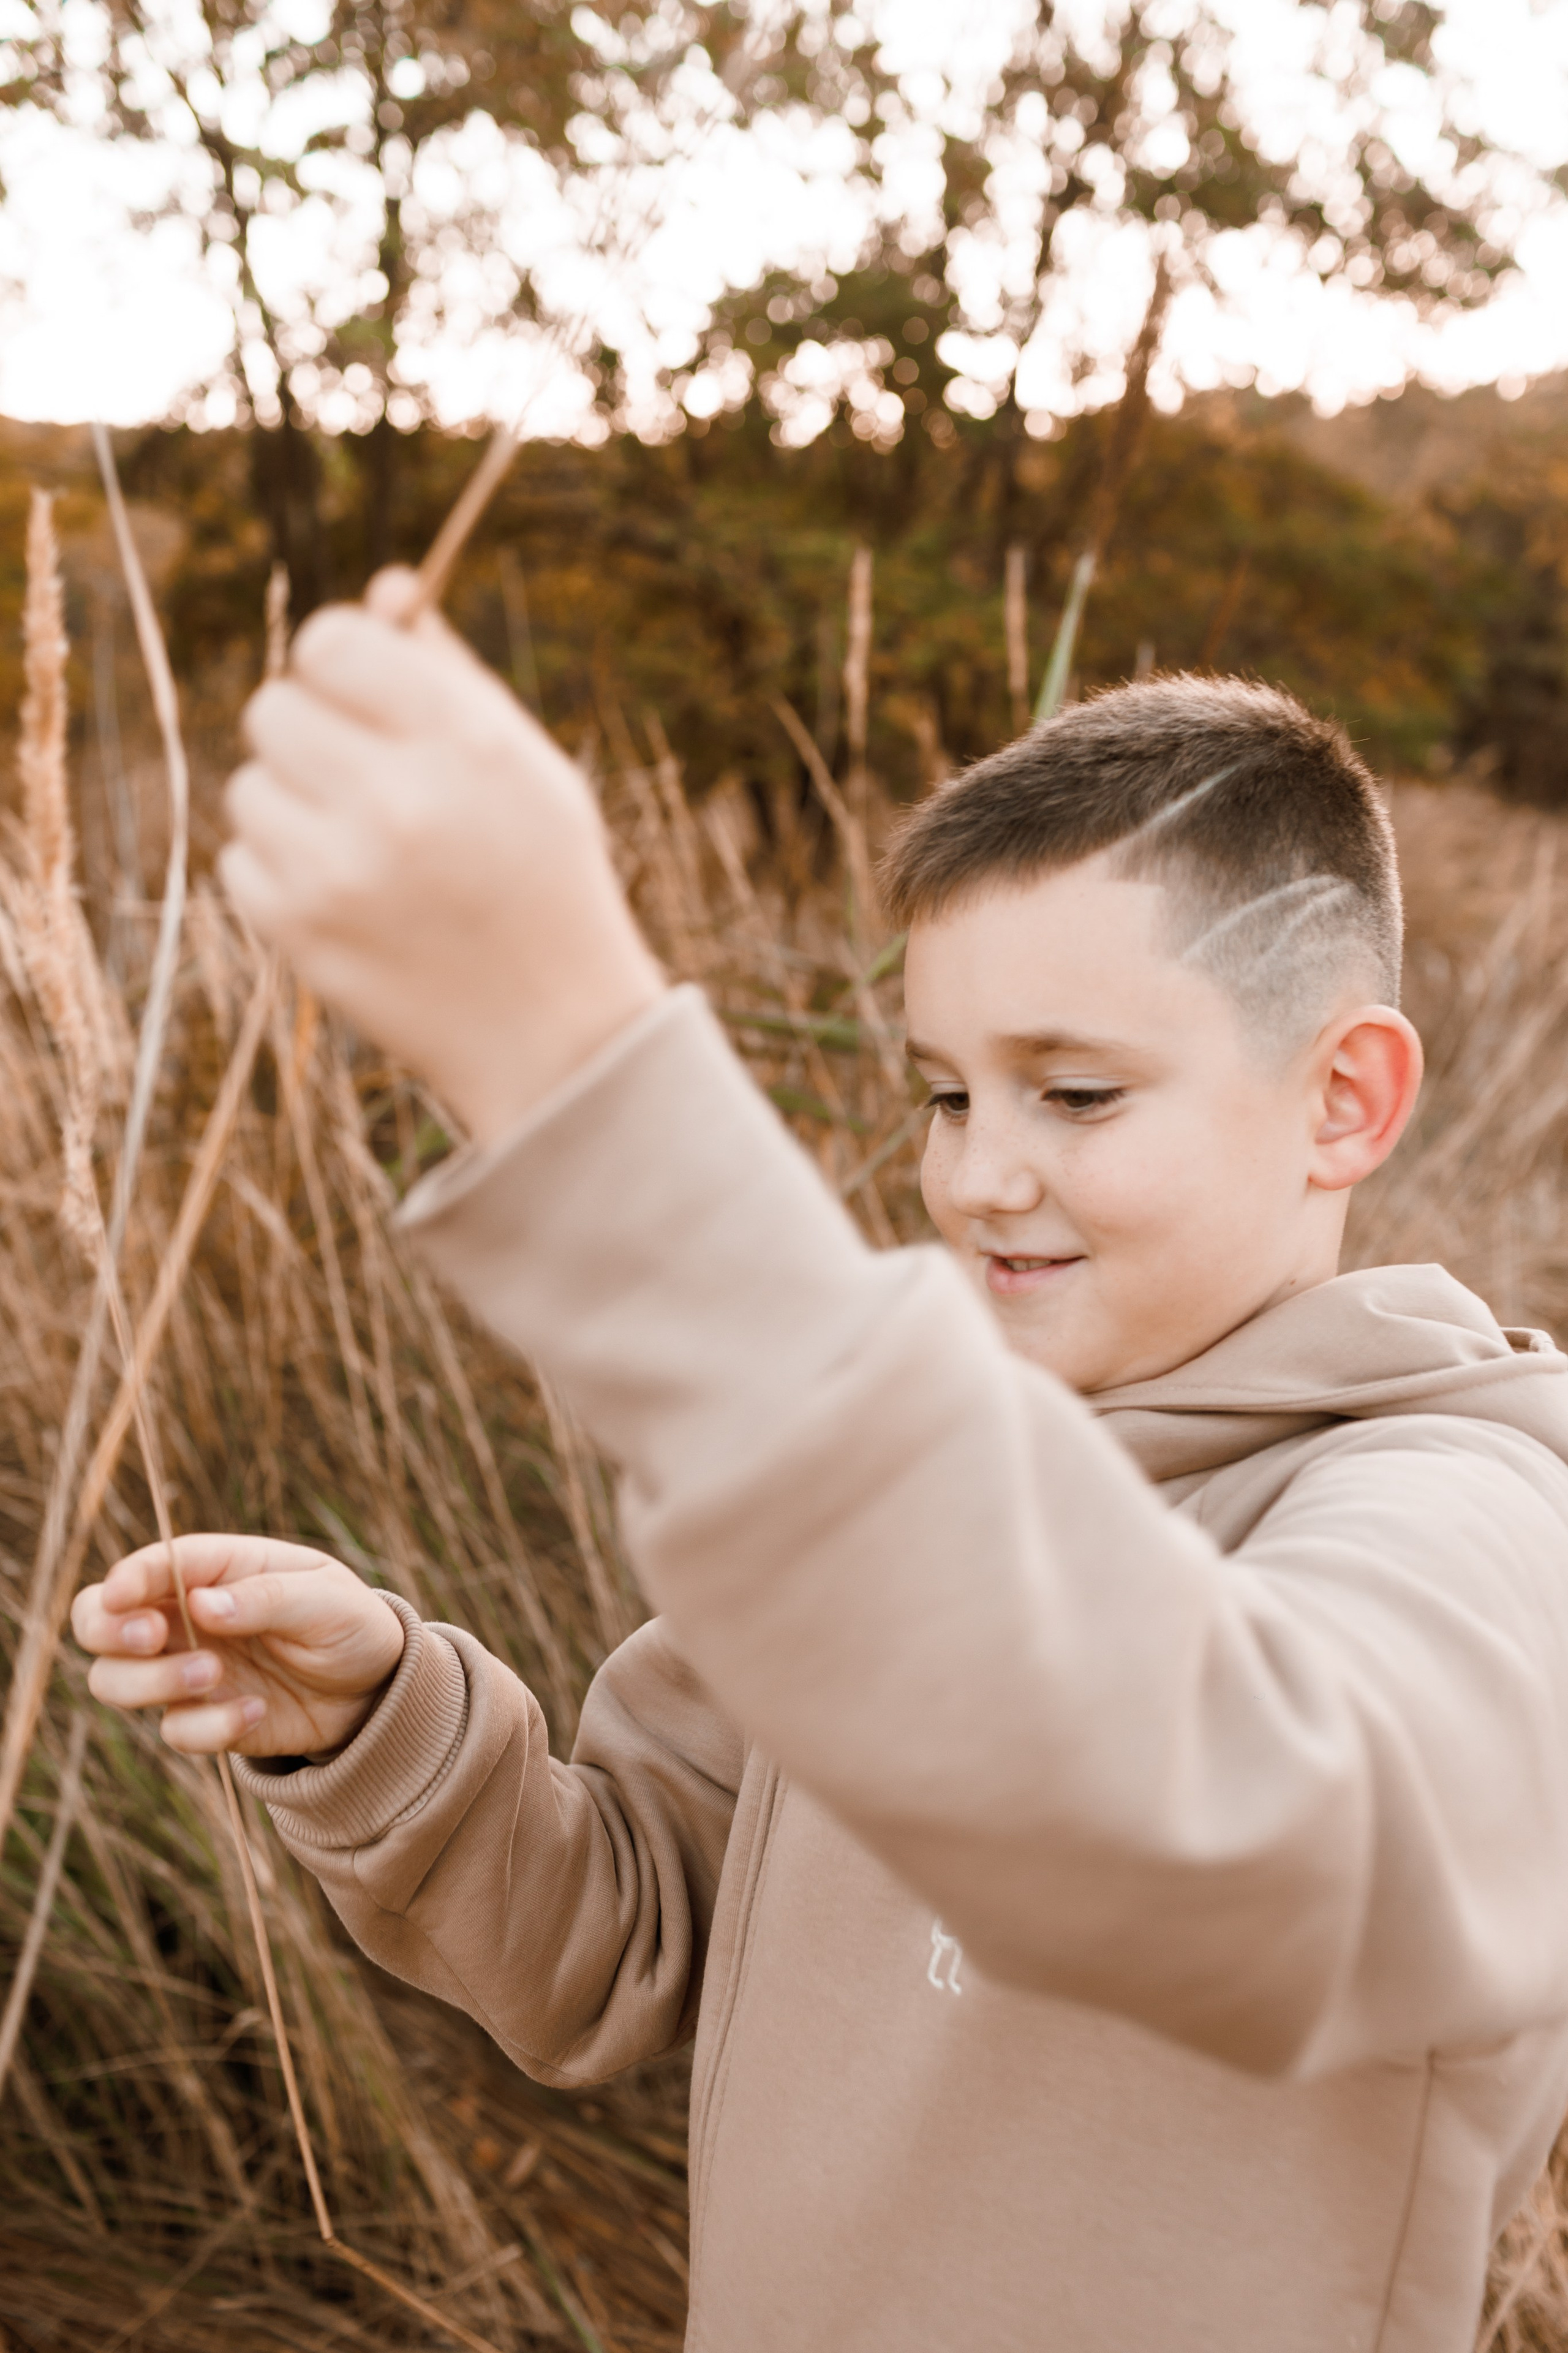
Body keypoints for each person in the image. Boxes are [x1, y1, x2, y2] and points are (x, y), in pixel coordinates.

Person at [74, 575, 1568, 2353]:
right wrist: (386, 1718)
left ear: (1345, 1101)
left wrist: (580, 1074)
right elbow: (615, 1944)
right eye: (946, 1093)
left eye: (1075, 1095)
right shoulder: (919, 1477)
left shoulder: (1471, 1514)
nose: (977, 1176)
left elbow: (1254, 1830)